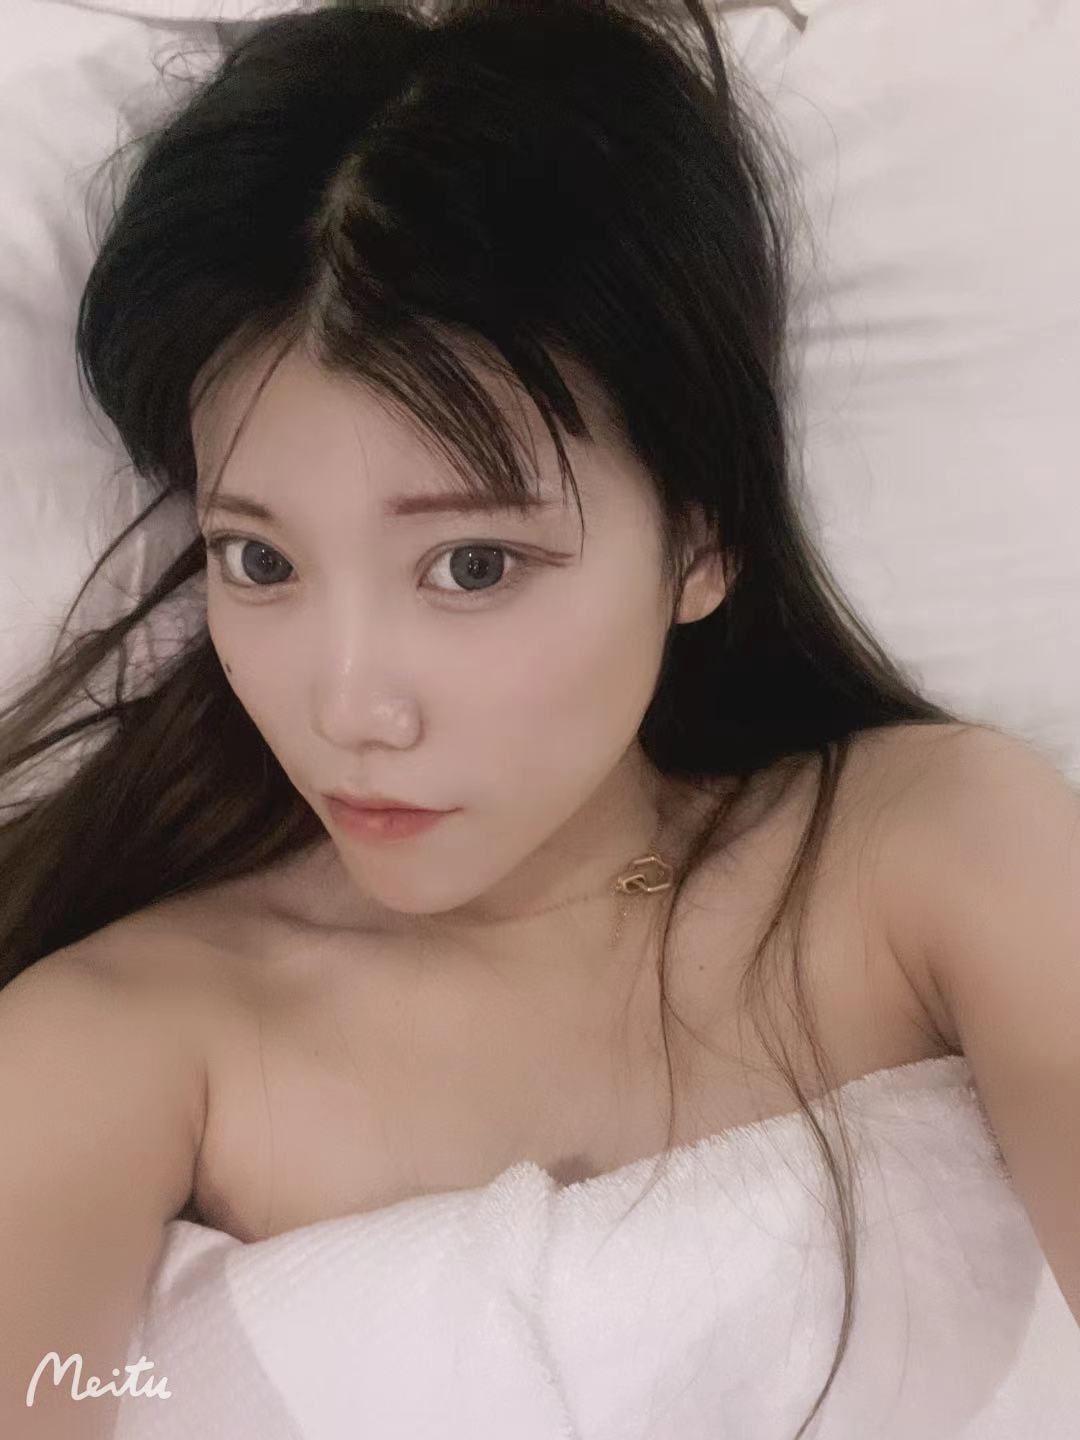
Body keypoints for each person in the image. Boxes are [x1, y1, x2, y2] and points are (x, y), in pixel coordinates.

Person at [1, 3, 1075, 1438]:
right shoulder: (115, 1044)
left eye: (473, 566)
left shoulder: (930, 855)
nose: (350, 707)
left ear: (700, 537)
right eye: (259, 559)